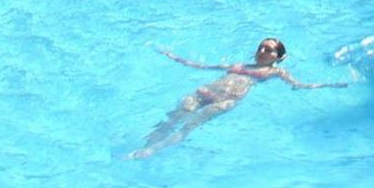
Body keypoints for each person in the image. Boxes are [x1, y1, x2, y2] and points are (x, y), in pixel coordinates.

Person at [127, 38, 348, 159]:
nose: (262, 51)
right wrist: (174, 57)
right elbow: (202, 66)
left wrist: (329, 85)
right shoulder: (238, 65)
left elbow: (299, 85)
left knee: (189, 126)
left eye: (269, 50)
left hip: (226, 100)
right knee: (172, 119)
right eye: (261, 47)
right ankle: (145, 144)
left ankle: (151, 151)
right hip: (204, 92)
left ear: (279, 57)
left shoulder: (276, 71)